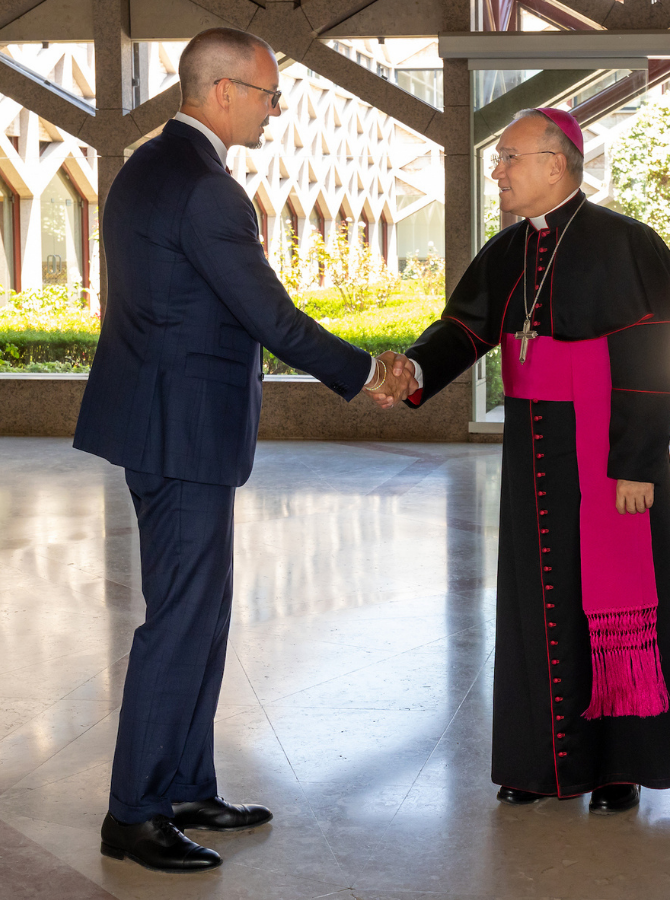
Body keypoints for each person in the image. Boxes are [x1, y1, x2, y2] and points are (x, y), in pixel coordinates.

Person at [73, 27, 412, 873]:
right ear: (221, 92)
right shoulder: (208, 191)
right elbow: (270, 316)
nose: (274, 109)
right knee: (181, 622)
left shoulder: (146, 170)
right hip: (183, 432)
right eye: (267, 94)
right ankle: (135, 813)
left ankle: (186, 781)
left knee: (199, 614)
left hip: (158, 423)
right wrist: (367, 371)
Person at [384, 108, 670, 814]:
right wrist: (413, 372)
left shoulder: (627, 243)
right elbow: (465, 328)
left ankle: (618, 763)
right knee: (537, 601)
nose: (497, 171)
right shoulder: (509, 250)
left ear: (556, 164)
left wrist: (634, 463)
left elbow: (653, 364)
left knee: (609, 598)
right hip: (533, 442)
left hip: (605, 453)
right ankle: (538, 762)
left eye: (509, 158)